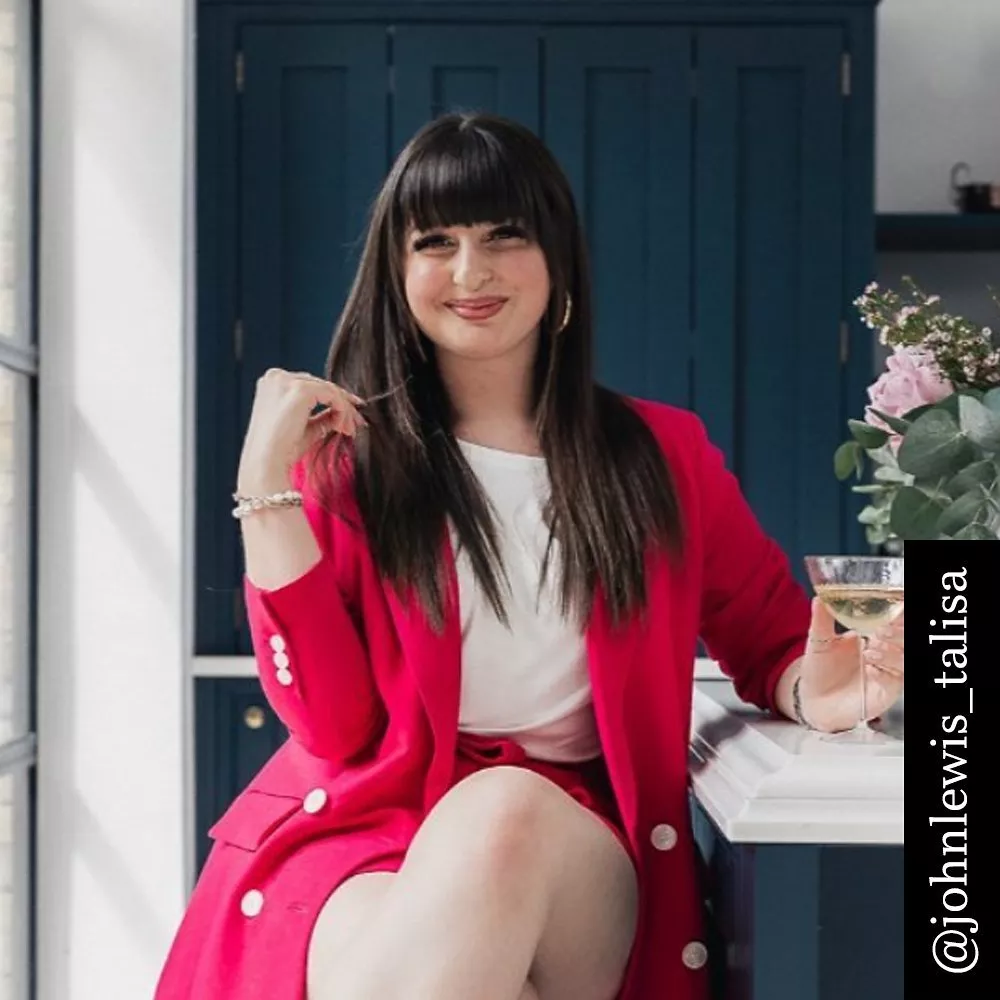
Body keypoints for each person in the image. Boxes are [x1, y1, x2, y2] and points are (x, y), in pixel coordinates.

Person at [154, 112, 905, 1000]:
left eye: (504, 236)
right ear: (399, 275)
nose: (471, 272)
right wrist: (263, 494)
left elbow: (772, 637)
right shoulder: (347, 466)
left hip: (573, 844)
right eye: (436, 241)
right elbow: (333, 729)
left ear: (557, 261)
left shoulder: (661, 458)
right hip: (367, 834)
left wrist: (818, 690)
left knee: (501, 810)